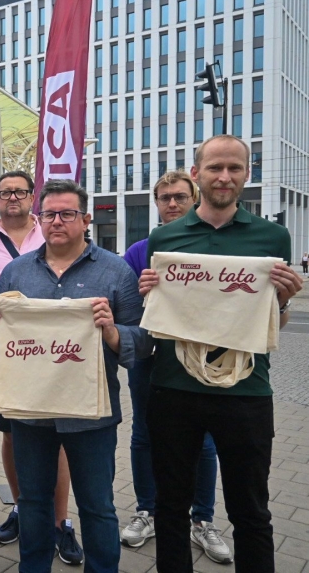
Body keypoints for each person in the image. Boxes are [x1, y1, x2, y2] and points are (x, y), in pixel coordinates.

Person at [139, 135, 303, 572]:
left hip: (247, 390)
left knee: (251, 510)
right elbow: (157, 317)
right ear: (197, 174)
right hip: (174, 387)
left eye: (234, 168)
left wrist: (283, 300)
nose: (224, 177)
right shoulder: (164, 238)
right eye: (215, 167)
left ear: (247, 173)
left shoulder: (273, 237)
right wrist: (149, 294)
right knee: (171, 506)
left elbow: (275, 322)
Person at [0, 180, 150, 573]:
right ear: (39, 219)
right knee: (33, 503)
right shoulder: (17, 272)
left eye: (67, 214)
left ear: (86, 220)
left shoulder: (115, 271)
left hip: (91, 415)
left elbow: (143, 340)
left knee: (97, 506)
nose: (57, 221)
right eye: (50, 214)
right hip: (30, 411)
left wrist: (111, 332)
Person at [120, 171, 231, 562]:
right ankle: (146, 511)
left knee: (204, 439)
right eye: (164, 197)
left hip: (201, 356)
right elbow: (126, 307)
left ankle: (202, 519)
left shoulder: (213, 246)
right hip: (150, 358)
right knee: (144, 433)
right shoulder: (139, 251)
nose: (171, 204)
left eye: (180, 197)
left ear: (194, 198)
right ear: (155, 203)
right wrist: (142, 292)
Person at [0, 170, 82, 563]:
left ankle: (60, 522)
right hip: (3, 351)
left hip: (54, 353)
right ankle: (22, 508)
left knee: (59, 434)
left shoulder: (51, 230)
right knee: (10, 432)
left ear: (32, 196)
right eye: (5, 193)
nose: (12, 198)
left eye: (19, 192)